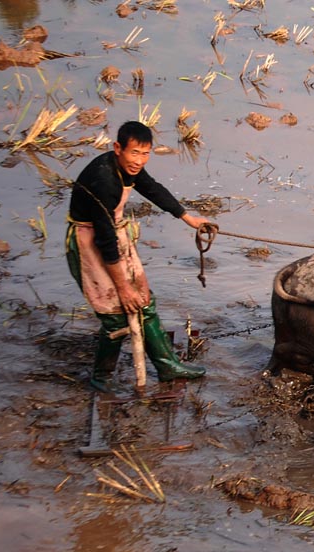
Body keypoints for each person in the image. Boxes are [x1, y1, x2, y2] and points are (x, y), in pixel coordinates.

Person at [65, 120, 208, 392]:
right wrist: (122, 287)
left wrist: (188, 218)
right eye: (134, 153)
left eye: (145, 154)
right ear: (117, 148)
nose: (139, 161)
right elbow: (104, 241)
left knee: (144, 301)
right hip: (89, 241)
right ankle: (101, 377)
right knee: (116, 313)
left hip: (113, 234)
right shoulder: (104, 180)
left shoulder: (129, 168)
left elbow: (151, 188)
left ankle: (167, 366)